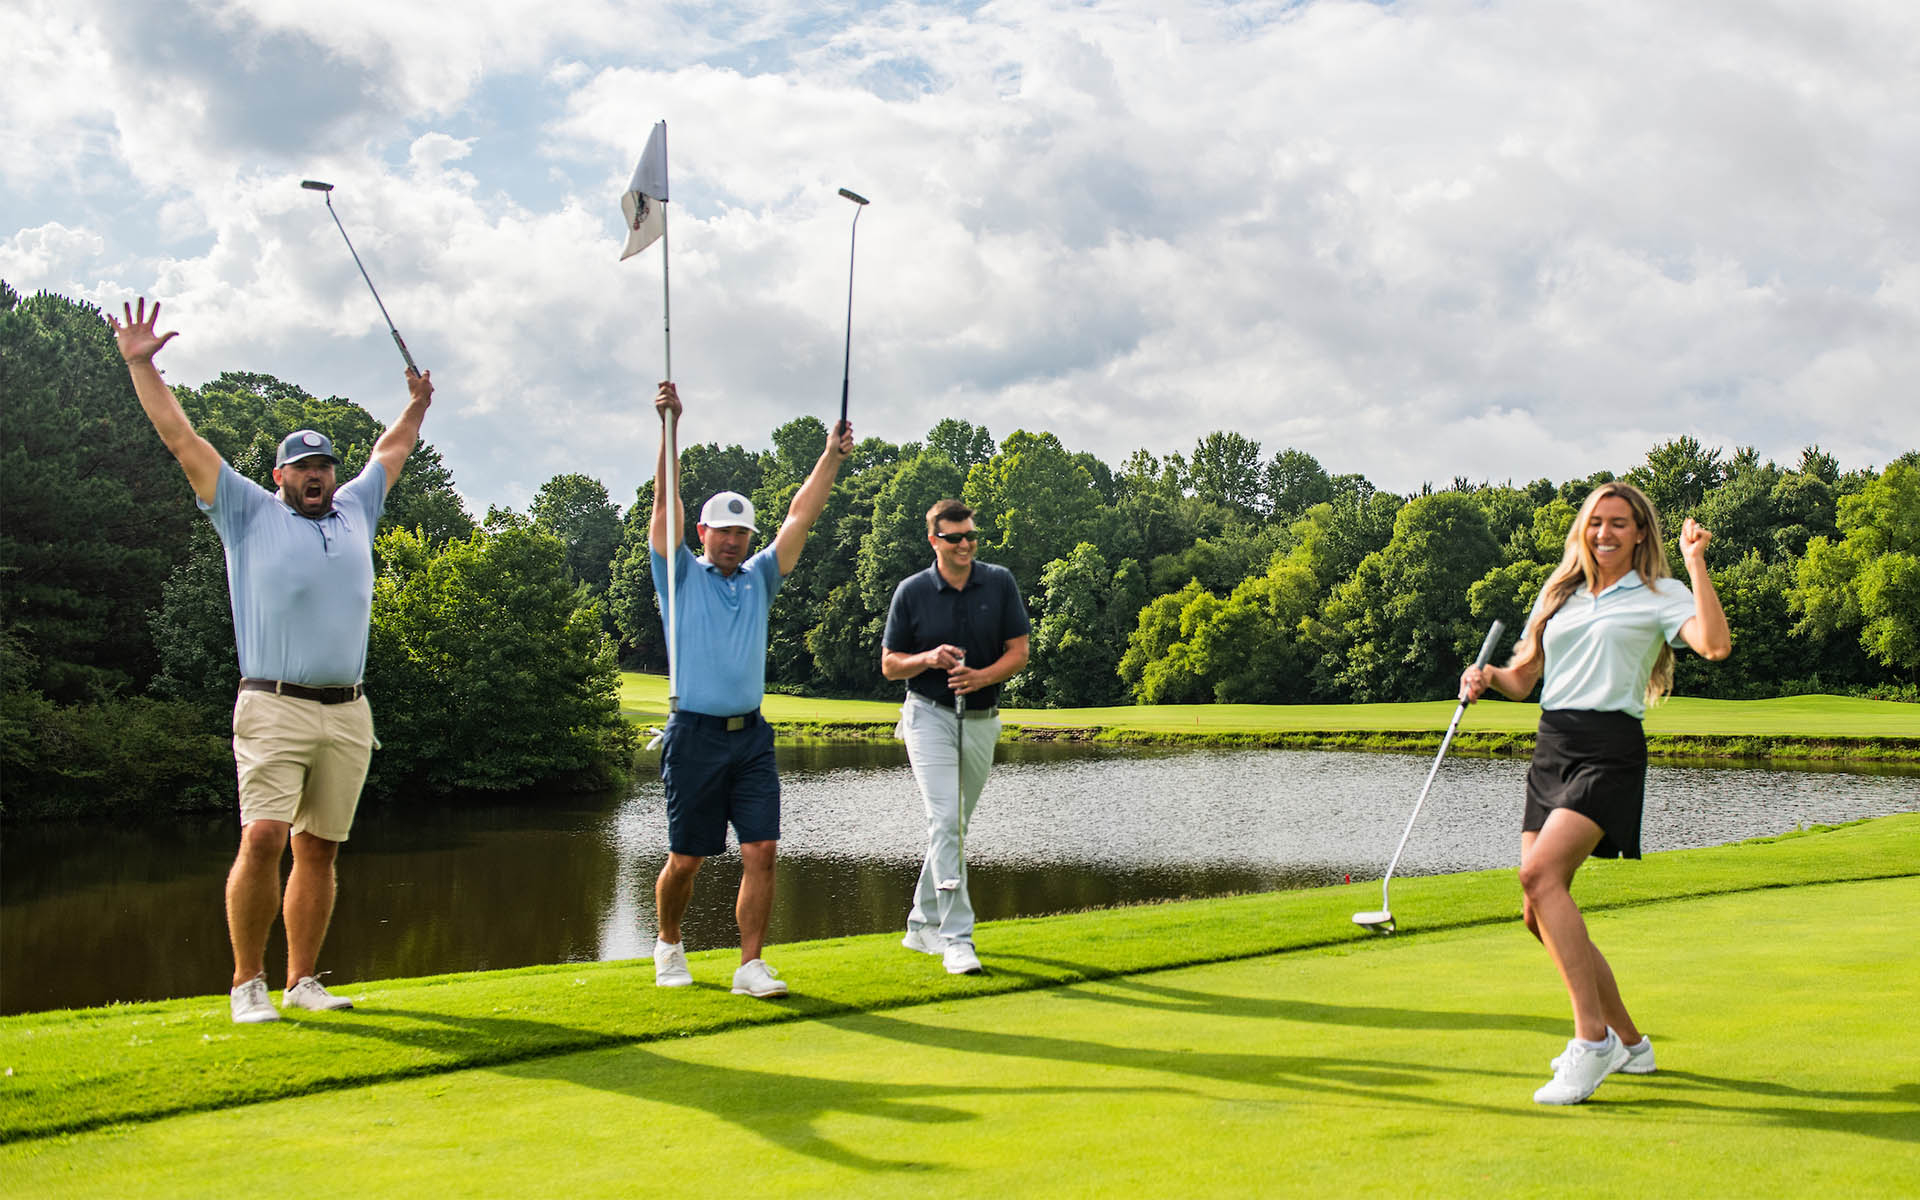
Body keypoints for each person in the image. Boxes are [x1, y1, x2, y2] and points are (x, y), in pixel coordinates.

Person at [109, 297, 436, 1024]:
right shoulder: (246, 511)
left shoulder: (358, 509)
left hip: (349, 710)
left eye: (322, 464)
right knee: (263, 838)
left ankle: (301, 981)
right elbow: (179, 436)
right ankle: (246, 984)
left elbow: (393, 451)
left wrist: (417, 406)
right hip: (273, 702)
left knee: (319, 850)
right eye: (302, 467)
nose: (316, 475)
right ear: (280, 474)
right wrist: (140, 363)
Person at [1460, 481, 1730, 1105]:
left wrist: (1695, 563)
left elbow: (1714, 646)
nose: (1604, 533)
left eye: (1618, 523)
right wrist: (1486, 677)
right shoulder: (1559, 595)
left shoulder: (1662, 593)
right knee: (1537, 912)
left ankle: (1592, 1041)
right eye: (1595, 522)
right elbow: (1524, 678)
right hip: (1553, 744)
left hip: (1609, 749)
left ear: (1640, 532)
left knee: (1538, 877)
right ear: (1582, 529)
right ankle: (1631, 1044)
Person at [647, 381, 852, 998]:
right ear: (704, 532)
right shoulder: (678, 575)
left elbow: (800, 515)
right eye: (723, 532)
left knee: (761, 849)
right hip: (694, 736)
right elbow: (664, 505)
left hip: (751, 738)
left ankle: (750, 965)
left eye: (742, 533)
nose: (734, 541)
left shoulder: (761, 577)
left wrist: (831, 457)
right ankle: (668, 944)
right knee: (687, 859)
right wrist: (669, 428)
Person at [880, 499, 1030, 975]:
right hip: (927, 716)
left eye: (970, 536)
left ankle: (918, 923)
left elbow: (1019, 651)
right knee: (944, 820)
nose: (965, 544)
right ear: (934, 540)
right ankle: (956, 938)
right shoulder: (911, 592)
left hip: (983, 716)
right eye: (954, 537)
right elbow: (889, 665)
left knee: (954, 826)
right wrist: (926, 658)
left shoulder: (1000, 581)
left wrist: (982, 677)